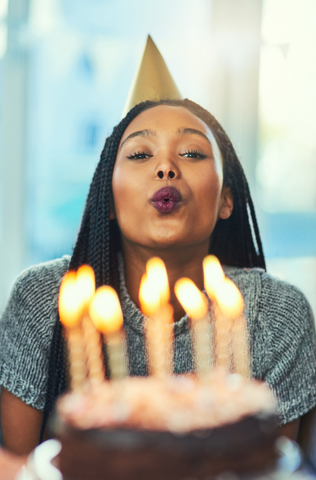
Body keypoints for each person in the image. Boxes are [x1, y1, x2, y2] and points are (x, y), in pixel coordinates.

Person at [1, 38, 316, 457]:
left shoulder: (274, 316)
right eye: (139, 154)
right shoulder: (44, 300)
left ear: (227, 198)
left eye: (191, 152)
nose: (166, 166)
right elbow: (19, 466)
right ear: (107, 200)